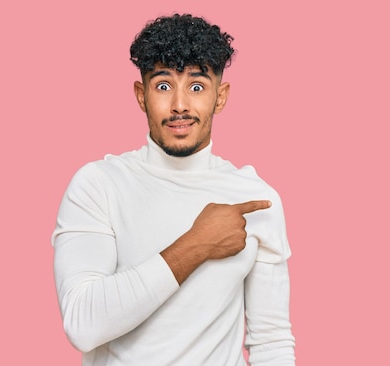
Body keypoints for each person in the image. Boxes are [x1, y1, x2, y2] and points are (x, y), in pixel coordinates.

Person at [51, 13, 295, 366]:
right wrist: (197, 244)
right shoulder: (98, 185)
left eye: (197, 87)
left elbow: (272, 341)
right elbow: (83, 324)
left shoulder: (256, 199)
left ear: (220, 96)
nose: (180, 104)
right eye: (163, 85)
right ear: (141, 94)